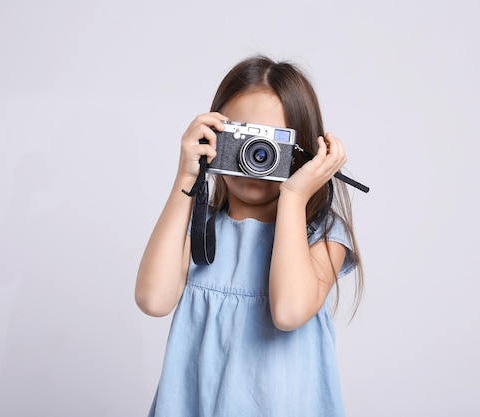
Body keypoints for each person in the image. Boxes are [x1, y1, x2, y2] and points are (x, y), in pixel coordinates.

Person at [135, 55, 364, 417]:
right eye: (239, 137)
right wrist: (185, 178)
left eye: (270, 143)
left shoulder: (321, 232)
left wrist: (293, 196)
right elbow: (153, 300)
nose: (251, 156)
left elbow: (288, 312)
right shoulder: (200, 228)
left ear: (303, 149)